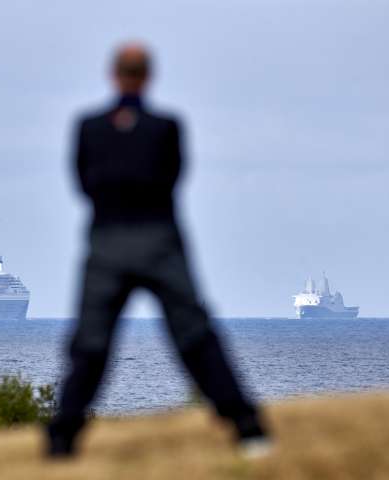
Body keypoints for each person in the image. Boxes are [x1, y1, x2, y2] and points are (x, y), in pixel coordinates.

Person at [47, 42, 270, 458]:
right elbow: (173, 176)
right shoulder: (166, 127)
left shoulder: (88, 127)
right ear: (149, 77)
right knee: (194, 335)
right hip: (159, 239)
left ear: (113, 75)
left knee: (91, 343)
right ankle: (248, 428)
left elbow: (82, 182)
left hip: (107, 240)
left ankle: (61, 440)